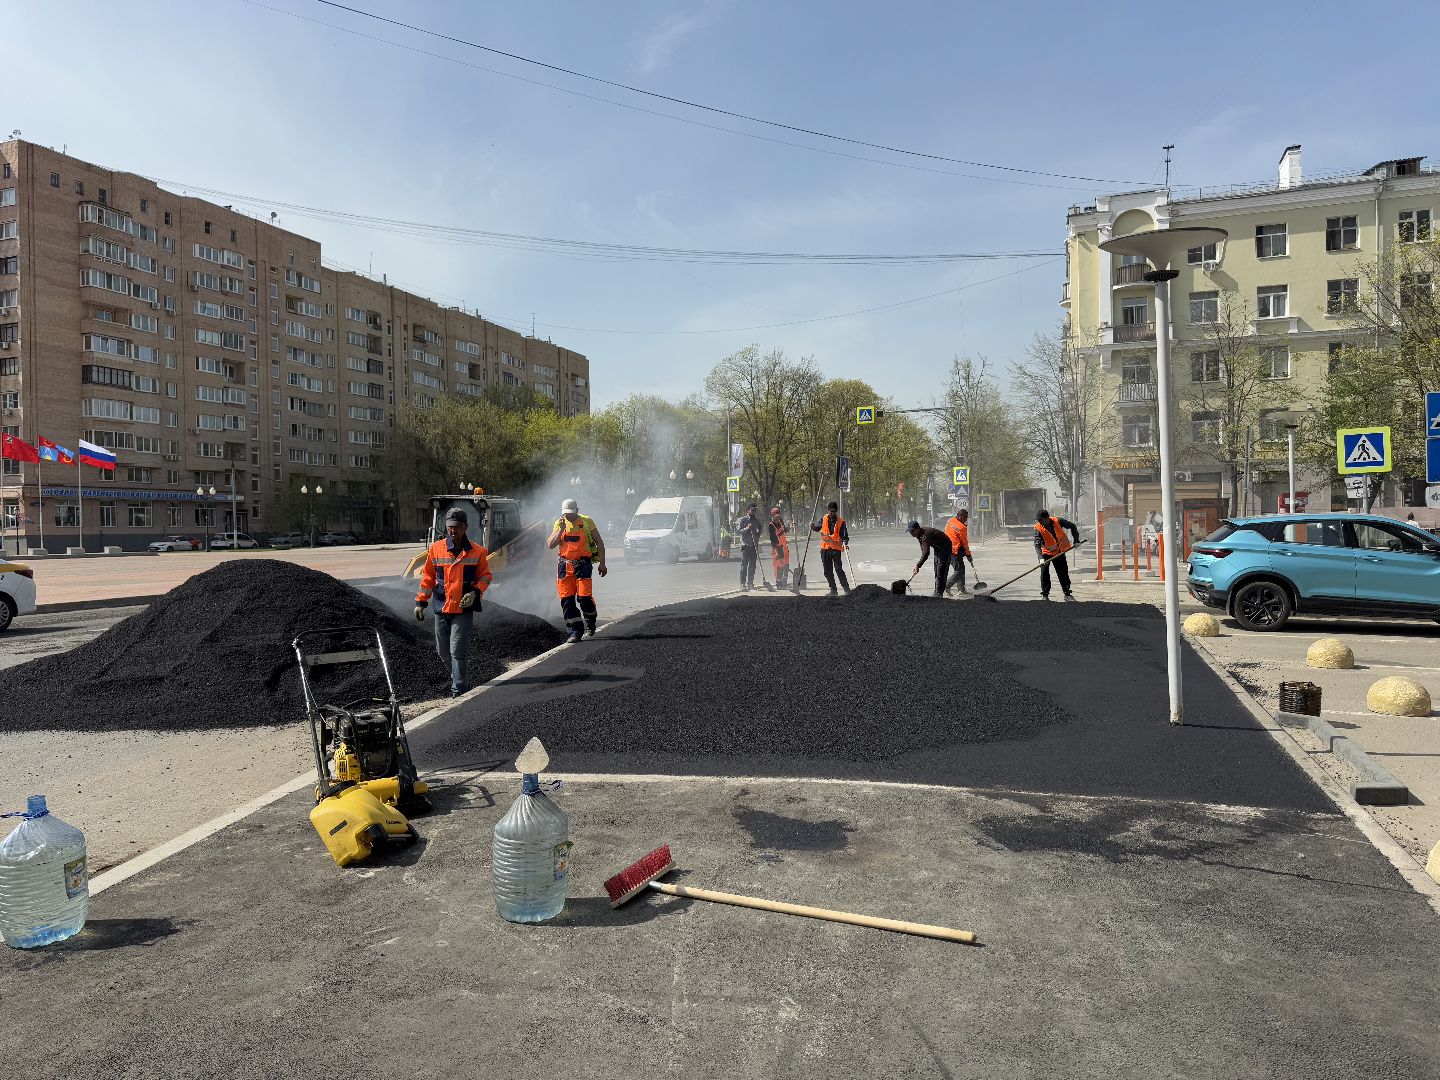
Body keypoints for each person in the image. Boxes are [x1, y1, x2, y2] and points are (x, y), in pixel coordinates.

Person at [414, 508, 493, 697]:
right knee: (442, 651)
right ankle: (458, 676)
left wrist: (475, 592)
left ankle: (459, 689)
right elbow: (428, 577)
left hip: (463, 608)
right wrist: (421, 602)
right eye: (449, 527)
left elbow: (486, 576)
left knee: (457, 649)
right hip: (441, 607)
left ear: (465, 527)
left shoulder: (478, 551)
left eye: (457, 527)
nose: (452, 531)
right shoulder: (436, 549)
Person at [547, 497, 607, 643]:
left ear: (577, 511)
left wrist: (602, 563)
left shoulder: (587, 521)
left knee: (584, 598)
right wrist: (560, 529)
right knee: (567, 600)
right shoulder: (559, 523)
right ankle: (575, 631)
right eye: (566, 513)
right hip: (564, 566)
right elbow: (550, 544)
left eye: (571, 513)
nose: (569, 516)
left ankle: (590, 620)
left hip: (583, 565)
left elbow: (599, 542)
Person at [1034, 508, 1081, 601]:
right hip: (1046, 552)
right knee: (1044, 573)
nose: (1039, 522)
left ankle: (1067, 594)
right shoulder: (1038, 527)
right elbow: (1037, 543)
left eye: (1041, 520)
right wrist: (1040, 557)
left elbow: (1072, 526)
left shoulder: (1058, 521)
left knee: (1063, 573)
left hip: (1059, 551)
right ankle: (1045, 595)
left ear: (1047, 518)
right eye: (1038, 520)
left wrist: (1076, 540)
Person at [810, 501, 850, 594]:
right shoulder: (823, 519)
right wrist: (812, 526)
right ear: (828, 511)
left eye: (834, 511)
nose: (833, 513)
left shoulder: (841, 522)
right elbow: (817, 528)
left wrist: (844, 541)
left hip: (836, 549)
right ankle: (833, 590)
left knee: (838, 569)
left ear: (837, 511)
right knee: (827, 571)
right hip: (825, 549)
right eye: (831, 511)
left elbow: (845, 536)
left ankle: (846, 589)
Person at [907, 520, 953, 598]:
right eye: (910, 531)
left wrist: (918, 565)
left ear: (917, 528)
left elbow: (926, 553)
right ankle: (937, 591)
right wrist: (919, 564)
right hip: (938, 548)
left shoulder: (925, 535)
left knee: (941, 569)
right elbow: (923, 549)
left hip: (945, 547)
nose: (911, 533)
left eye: (912, 531)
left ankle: (939, 593)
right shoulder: (919, 534)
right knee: (937, 569)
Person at [944, 508, 976, 594]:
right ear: (960, 516)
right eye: (965, 517)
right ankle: (946, 585)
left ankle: (961, 589)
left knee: (960, 568)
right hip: (955, 551)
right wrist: (968, 555)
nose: (966, 520)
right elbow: (964, 543)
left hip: (947, 549)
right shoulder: (962, 527)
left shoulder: (950, 521)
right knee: (959, 570)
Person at [736, 504, 761, 589]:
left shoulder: (757, 521)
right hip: (745, 545)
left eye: (755, 510)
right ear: (748, 510)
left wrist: (756, 534)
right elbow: (738, 531)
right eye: (752, 509)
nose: (754, 511)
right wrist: (747, 528)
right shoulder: (742, 520)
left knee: (752, 566)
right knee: (744, 565)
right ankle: (742, 584)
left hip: (754, 546)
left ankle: (750, 583)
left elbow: (759, 531)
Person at [768, 506, 790, 588]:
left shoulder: (780, 521)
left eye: (778, 516)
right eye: (776, 516)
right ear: (772, 516)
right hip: (777, 547)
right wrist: (777, 551)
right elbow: (773, 540)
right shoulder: (771, 525)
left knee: (786, 564)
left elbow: (784, 530)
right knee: (779, 567)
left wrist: (788, 527)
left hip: (784, 546)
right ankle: (779, 583)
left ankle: (785, 581)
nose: (777, 518)